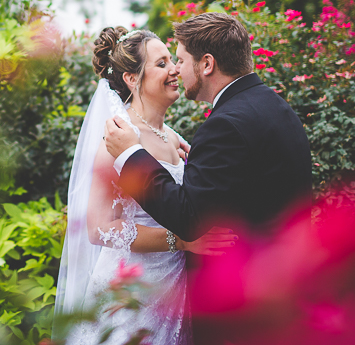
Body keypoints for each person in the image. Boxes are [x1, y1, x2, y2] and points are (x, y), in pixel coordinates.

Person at [54, 27, 235, 345]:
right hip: (132, 294)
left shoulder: (172, 136)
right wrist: (181, 240)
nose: (175, 69)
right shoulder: (116, 140)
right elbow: (99, 229)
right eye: (162, 64)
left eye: (172, 61)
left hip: (174, 288)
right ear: (132, 79)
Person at [104, 12, 312, 245]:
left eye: (180, 60)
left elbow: (188, 218)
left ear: (207, 64)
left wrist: (130, 154)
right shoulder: (275, 105)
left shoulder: (225, 126)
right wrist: (201, 164)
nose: (177, 70)